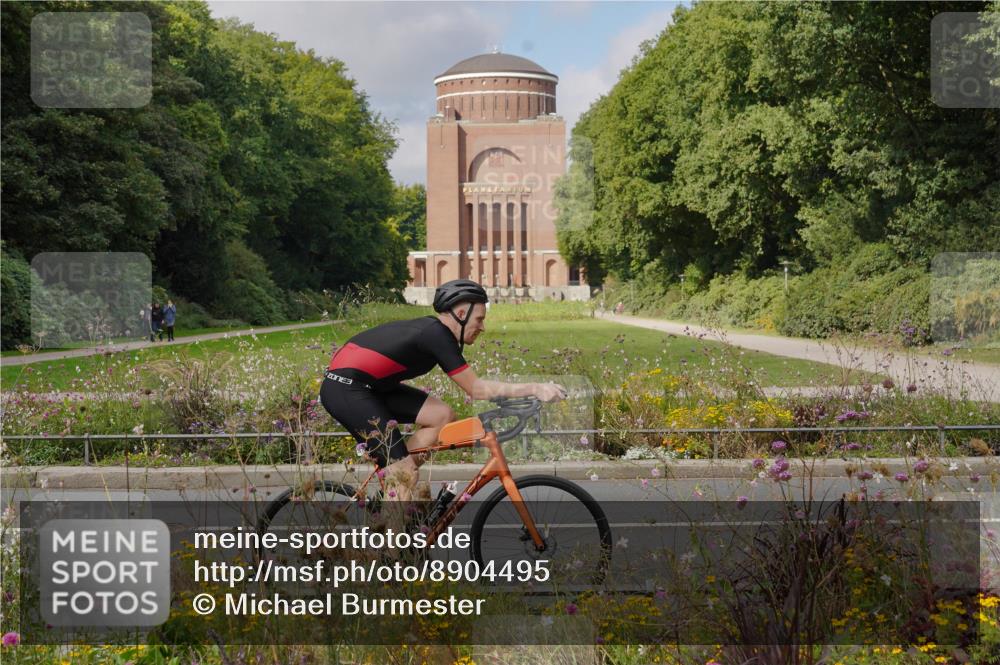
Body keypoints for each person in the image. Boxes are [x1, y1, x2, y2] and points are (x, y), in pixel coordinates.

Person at [320, 279, 566, 500]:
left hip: (371, 387)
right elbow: (477, 389)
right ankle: (392, 532)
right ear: (461, 313)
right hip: (346, 389)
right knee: (405, 474)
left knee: (441, 416)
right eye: (479, 319)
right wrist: (534, 388)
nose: (482, 327)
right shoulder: (436, 334)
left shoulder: (436, 333)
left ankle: (394, 486)